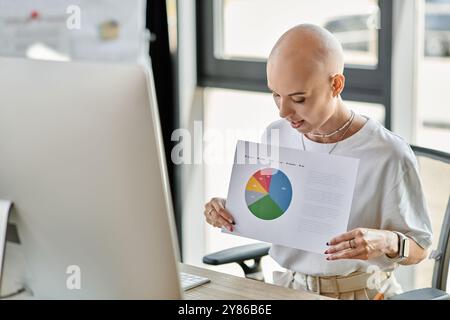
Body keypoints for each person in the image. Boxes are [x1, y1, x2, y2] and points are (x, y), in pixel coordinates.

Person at [203, 24, 432, 300]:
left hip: (363, 293)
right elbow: (272, 208)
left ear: (336, 84)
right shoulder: (276, 135)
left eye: (298, 99)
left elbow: (421, 248)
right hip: (289, 290)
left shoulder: (387, 153)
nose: (284, 111)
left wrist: (387, 241)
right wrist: (230, 210)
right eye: (276, 94)